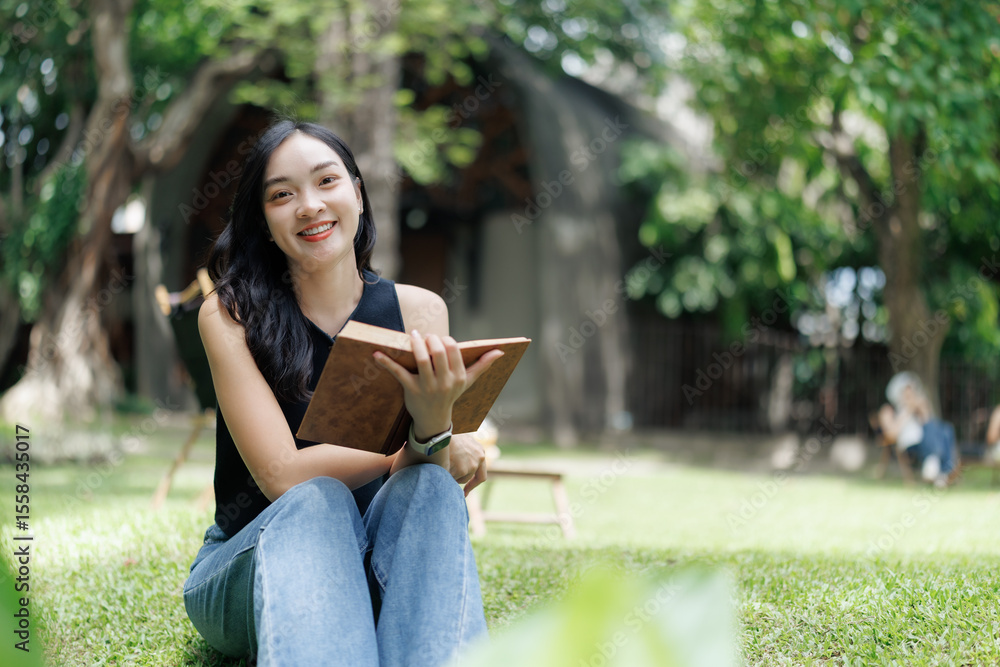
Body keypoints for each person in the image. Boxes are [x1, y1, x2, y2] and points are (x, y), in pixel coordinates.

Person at [182, 119, 504, 666]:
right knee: (317, 500)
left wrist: (434, 438)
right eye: (282, 194)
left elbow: (424, 471)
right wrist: (421, 437)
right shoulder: (232, 315)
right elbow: (281, 474)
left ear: (356, 192)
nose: (309, 205)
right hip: (249, 560)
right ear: (263, 220)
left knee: (431, 488)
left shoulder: (419, 311)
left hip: (372, 558)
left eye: (326, 181)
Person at [876, 371, 956, 487]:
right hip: (909, 445)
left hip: (926, 443)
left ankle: (934, 464)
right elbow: (891, 434)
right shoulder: (889, 410)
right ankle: (942, 471)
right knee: (941, 431)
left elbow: (929, 424)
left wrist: (922, 408)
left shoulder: (917, 410)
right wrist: (907, 411)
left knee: (946, 429)